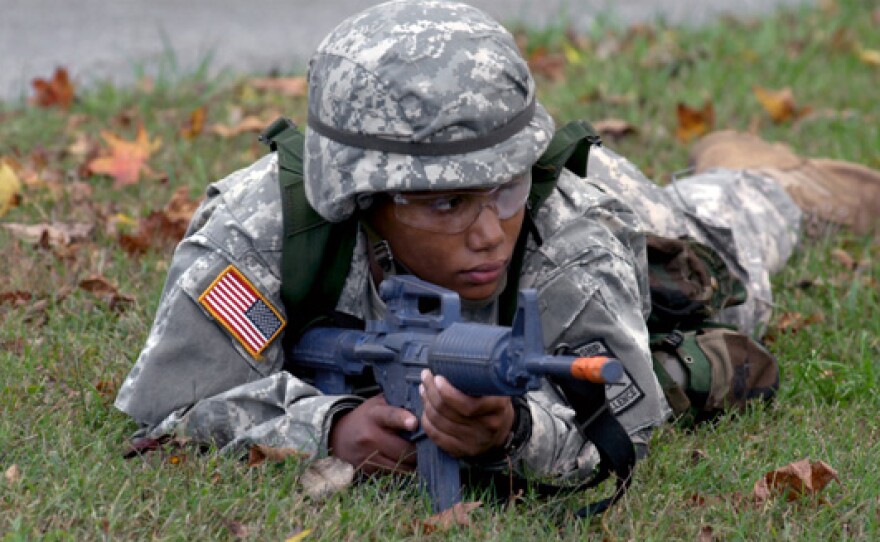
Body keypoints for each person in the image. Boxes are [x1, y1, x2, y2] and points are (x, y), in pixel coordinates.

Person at [114, 0, 836, 490]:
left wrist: (512, 434)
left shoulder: (572, 231)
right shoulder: (261, 231)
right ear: (361, 197)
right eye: (445, 202)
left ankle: (775, 180)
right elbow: (170, 405)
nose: (488, 231)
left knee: (715, 273)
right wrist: (325, 426)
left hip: (629, 209)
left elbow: (627, 419)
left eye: (504, 190)